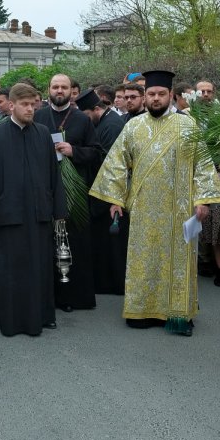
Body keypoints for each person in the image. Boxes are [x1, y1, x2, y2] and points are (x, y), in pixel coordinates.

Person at [90, 70, 220, 335]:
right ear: (145, 97)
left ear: (170, 95)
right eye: (151, 94)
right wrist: (115, 199)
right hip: (143, 207)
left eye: (161, 94)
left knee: (178, 262)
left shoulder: (187, 125)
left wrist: (204, 200)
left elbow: (202, 165)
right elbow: (117, 163)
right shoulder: (133, 127)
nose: (155, 98)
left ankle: (178, 315)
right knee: (143, 259)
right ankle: (141, 310)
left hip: (180, 208)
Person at [0, 83, 68, 337]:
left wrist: (59, 211)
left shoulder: (42, 133)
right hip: (7, 214)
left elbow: (54, 174)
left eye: (33, 104)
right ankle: (6, 320)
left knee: (39, 268)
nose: (30, 109)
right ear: (11, 105)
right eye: (25, 104)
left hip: (39, 213)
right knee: (8, 270)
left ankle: (41, 316)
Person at [35, 74, 100, 312]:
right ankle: (46, 296)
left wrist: (74, 151)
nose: (59, 91)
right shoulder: (38, 116)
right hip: (43, 189)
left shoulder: (82, 119)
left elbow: (96, 152)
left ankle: (72, 297)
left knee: (73, 242)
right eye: (55, 87)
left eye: (64, 87)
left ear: (72, 91)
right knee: (45, 242)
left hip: (73, 192)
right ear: (49, 90)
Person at [77, 90, 127, 295]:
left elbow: (111, 161)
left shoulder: (112, 125)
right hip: (102, 190)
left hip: (109, 192)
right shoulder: (103, 121)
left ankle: (113, 283)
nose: (86, 121)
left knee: (111, 242)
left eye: (87, 116)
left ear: (96, 109)